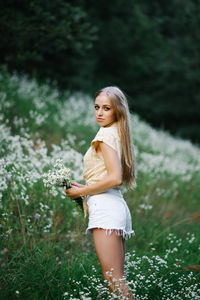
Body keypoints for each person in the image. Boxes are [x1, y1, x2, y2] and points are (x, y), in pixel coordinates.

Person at [65, 86, 136, 299]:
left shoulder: (105, 135)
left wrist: (82, 192)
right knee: (117, 279)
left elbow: (115, 178)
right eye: (97, 107)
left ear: (118, 111)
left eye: (107, 108)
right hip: (114, 204)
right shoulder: (117, 133)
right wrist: (84, 188)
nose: (99, 112)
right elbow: (106, 177)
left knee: (114, 280)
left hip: (106, 209)